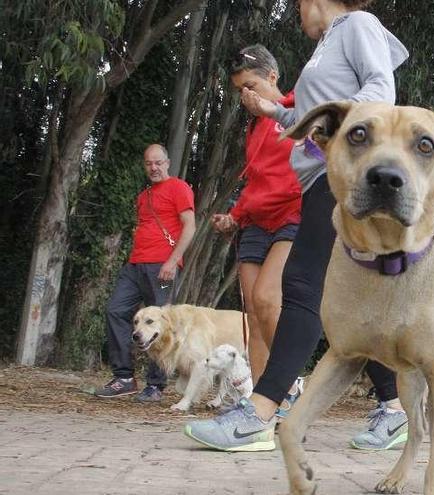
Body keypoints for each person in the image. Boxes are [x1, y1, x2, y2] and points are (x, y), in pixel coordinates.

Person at [185, 0, 409, 452]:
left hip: (344, 175)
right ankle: (395, 410)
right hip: (320, 180)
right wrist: (274, 113)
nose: (296, 11)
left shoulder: (358, 25)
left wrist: (328, 124)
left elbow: (382, 90)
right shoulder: (327, 45)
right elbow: (306, 125)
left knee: (302, 286)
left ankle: (260, 414)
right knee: (351, 303)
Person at [211, 44, 302, 381]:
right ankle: (263, 399)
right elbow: (256, 181)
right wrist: (234, 215)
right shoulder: (252, 127)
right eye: (239, 90)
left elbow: (298, 175)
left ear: (273, 76)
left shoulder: (297, 108)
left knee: (267, 299)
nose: (245, 95)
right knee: (253, 310)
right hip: (254, 225)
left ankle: (287, 381)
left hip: (292, 217)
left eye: (251, 86)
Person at [95, 144, 196, 401]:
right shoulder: (144, 196)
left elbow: (190, 226)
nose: (154, 167)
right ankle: (124, 378)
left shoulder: (179, 188)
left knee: (160, 324)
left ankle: (155, 386)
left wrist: (172, 262)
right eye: (149, 163)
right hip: (135, 264)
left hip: (162, 265)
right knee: (115, 310)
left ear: (168, 163)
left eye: (158, 162)